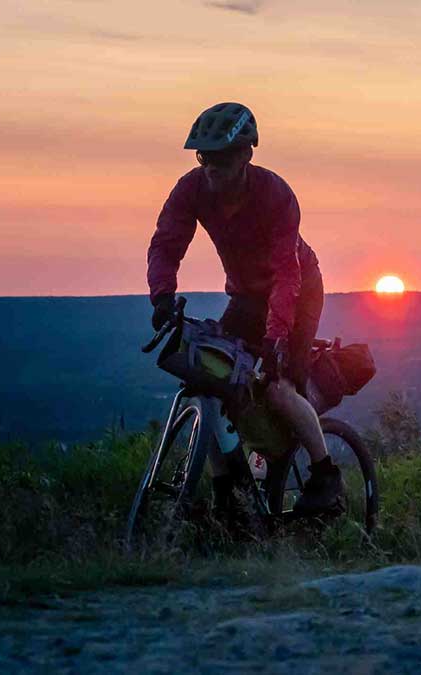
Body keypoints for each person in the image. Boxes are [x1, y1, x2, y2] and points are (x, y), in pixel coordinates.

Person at [146, 102, 343, 516]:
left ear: (246, 155)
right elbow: (167, 243)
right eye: (204, 157)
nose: (211, 167)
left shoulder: (275, 195)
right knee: (212, 381)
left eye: (221, 157)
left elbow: (287, 275)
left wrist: (276, 337)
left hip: (299, 290)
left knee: (278, 385)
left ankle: (325, 474)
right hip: (245, 297)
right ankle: (228, 495)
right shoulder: (191, 189)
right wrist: (162, 295)